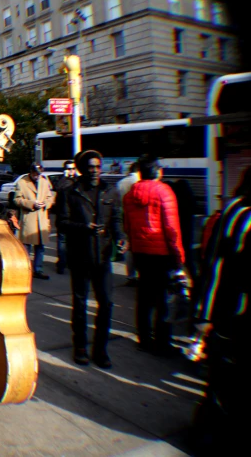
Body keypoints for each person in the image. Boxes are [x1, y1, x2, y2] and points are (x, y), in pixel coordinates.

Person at [191, 167, 250, 455]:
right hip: (231, 314)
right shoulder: (238, 213)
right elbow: (214, 265)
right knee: (222, 379)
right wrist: (204, 315)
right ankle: (208, 435)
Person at [57, 150, 126, 369]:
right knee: (80, 303)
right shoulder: (70, 192)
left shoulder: (109, 191)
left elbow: (116, 220)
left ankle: (101, 349)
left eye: (98, 166)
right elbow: (62, 223)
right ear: (81, 169)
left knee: (106, 303)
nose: (95, 171)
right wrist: (84, 228)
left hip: (103, 257)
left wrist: (121, 238)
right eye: (90, 167)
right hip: (80, 256)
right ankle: (81, 347)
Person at [123, 155, 186, 355]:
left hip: (140, 253)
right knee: (163, 301)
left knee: (144, 298)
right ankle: (162, 342)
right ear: (158, 171)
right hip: (161, 254)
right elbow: (171, 228)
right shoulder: (164, 191)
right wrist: (178, 257)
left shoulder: (131, 194)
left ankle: (144, 339)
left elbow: (127, 225)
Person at [14, 163, 55, 280]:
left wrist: (45, 204)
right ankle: (25, 270)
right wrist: (31, 204)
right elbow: (17, 200)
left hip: (41, 219)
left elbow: (50, 197)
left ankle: (38, 270)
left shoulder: (44, 181)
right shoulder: (22, 182)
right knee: (26, 247)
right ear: (30, 172)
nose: (37, 176)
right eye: (35, 174)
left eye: (38, 174)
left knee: (40, 247)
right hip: (29, 218)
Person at [117, 162, 140, 285]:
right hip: (138, 220)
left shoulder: (121, 183)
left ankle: (131, 275)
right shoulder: (139, 183)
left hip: (124, 218)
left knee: (128, 249)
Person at [54, 160, 77, 274]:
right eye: (68, 168)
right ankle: (62, 264)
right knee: (62, 242)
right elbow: (57, 192)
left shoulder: (77, 181)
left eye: (73, 168)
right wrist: (65, 178)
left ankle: (68, 263)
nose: (71, 171)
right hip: (63, 217)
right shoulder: (62, 182)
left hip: (74, 218)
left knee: (72, 242)